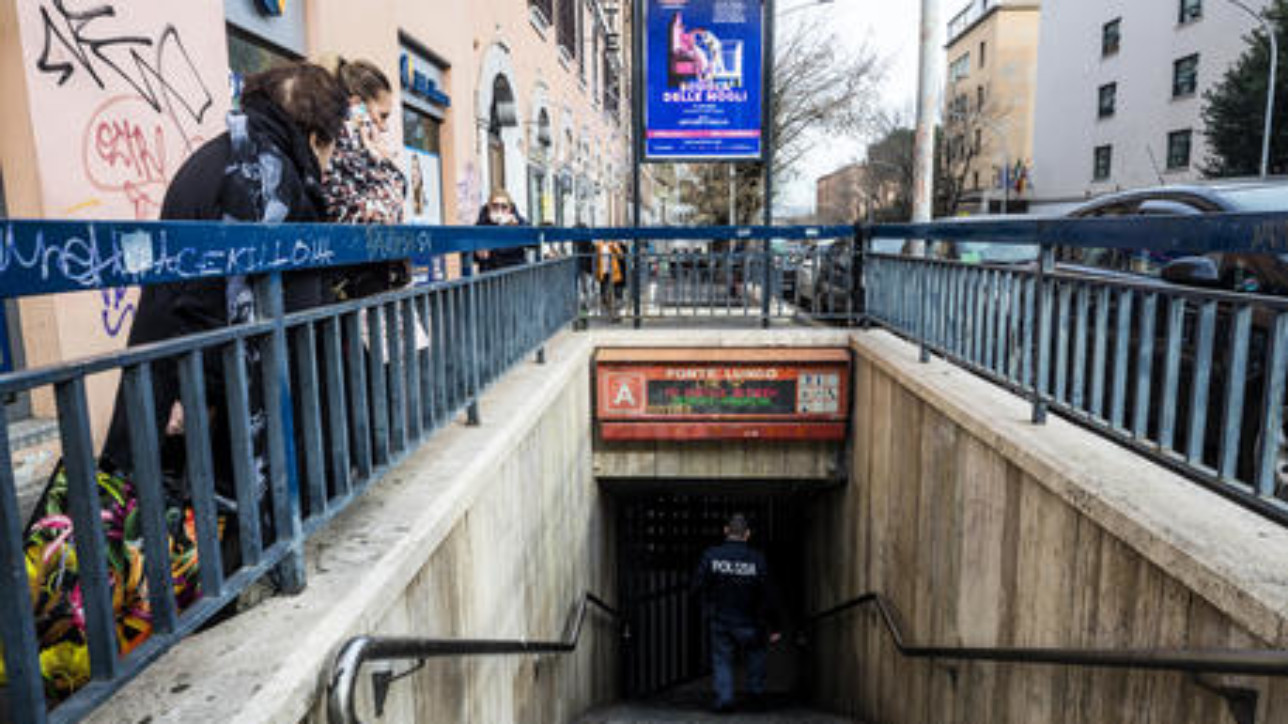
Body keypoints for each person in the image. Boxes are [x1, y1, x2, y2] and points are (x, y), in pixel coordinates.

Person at [319, 56, 410, 300]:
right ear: (356, 106)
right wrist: (383, 161)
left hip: (371, 285)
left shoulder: (359, 150)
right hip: (353, 289)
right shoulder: (336, 146)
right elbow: (381, 215)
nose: (384, 127)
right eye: (383, 115)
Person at [691, 514, 782, 713]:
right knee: (756, 656)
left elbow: (696, 587)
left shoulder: (711, 555)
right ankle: (756, 695)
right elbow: (769, 594)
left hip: (721, 620)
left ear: (726, 531)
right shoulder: (757, 559)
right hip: (751, 621)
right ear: (747, 534)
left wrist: (707, 610)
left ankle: (724, 699)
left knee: (722, 660)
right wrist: (775, 625)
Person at [473, 188, 534, 272]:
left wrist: (518, 225)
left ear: (510, 209)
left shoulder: (517, 221)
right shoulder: (482, 224)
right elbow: (470, 251)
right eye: (495, 206)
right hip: (491, 276)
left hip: (515, 274)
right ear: (489, 207)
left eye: (504, 207)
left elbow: (534, 241)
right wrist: (478, 254)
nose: (499, 210)